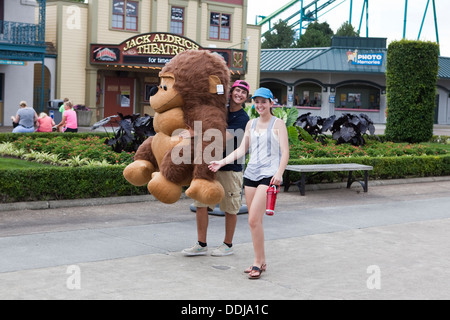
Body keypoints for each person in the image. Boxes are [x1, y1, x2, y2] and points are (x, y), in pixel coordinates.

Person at [209, 87, 290, 279]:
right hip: (251, 174)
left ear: (271, 103)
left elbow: (285, 152)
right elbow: (241, 150)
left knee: (253, 219)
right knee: (256, 222)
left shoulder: (278, 125)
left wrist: (279, 173)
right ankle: (261, 261)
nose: (260, 105)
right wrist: (222, 161)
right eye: (257, 101)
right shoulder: (251, 124)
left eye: (264, 101)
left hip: (269, 176)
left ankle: (256, 263)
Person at [182, 80, 250, 257]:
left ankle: (227, 245)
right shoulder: (220, 110)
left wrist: (195, 133)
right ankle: (201, 244)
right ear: (231, 92)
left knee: (230, 207)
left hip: (230, 167)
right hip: (208, 164)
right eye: (237, 90)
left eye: (243, 92)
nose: (239, 94)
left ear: (246, 97)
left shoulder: (243, 119)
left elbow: (221, 136)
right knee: (201, 203)